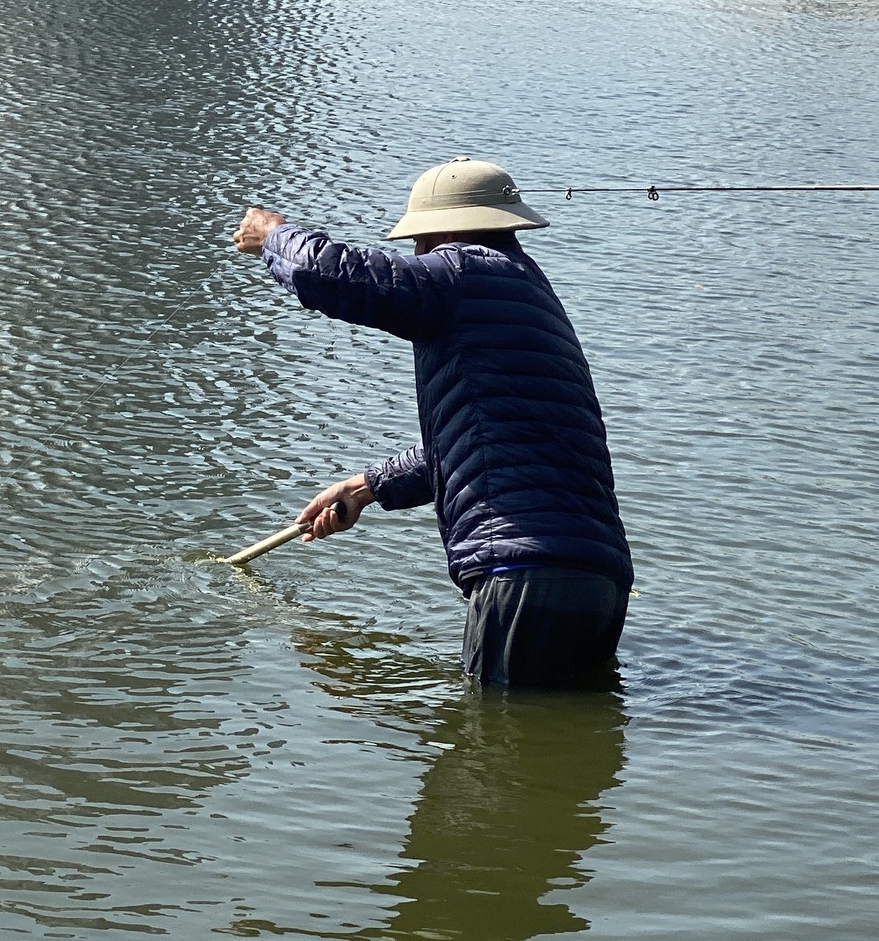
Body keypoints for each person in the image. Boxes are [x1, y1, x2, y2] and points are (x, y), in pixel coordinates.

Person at [230, 158, 633, 689]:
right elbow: (491, 444)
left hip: (522, 573)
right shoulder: (526, 290)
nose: (418, 252)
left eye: (420, 240)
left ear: (442, 232)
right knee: (558, 732)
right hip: (599, 580)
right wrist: (367, 487)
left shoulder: (461, 273)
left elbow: (336, 275)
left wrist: (273, 235)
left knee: (494, 739)